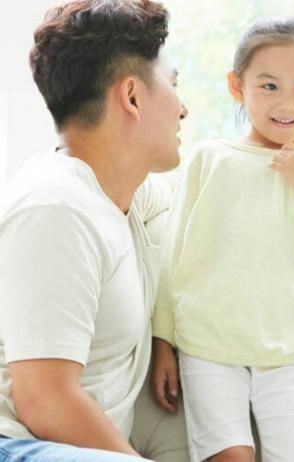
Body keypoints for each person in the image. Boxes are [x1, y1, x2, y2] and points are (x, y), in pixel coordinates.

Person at [150, 16, 294, 462]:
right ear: (237, 86)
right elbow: (174, 257)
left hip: (292, 350)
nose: (287, 103)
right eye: (269, 86)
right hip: (208, 345)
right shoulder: (210, 159)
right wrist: (162, 342)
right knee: (228, 457)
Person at [0, 1, 188, 461]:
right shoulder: (55, 209)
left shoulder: (122, 193)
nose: (184, 109)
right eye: (174, 85)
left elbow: (200, 195)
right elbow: (44, 400)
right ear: (132, 97)